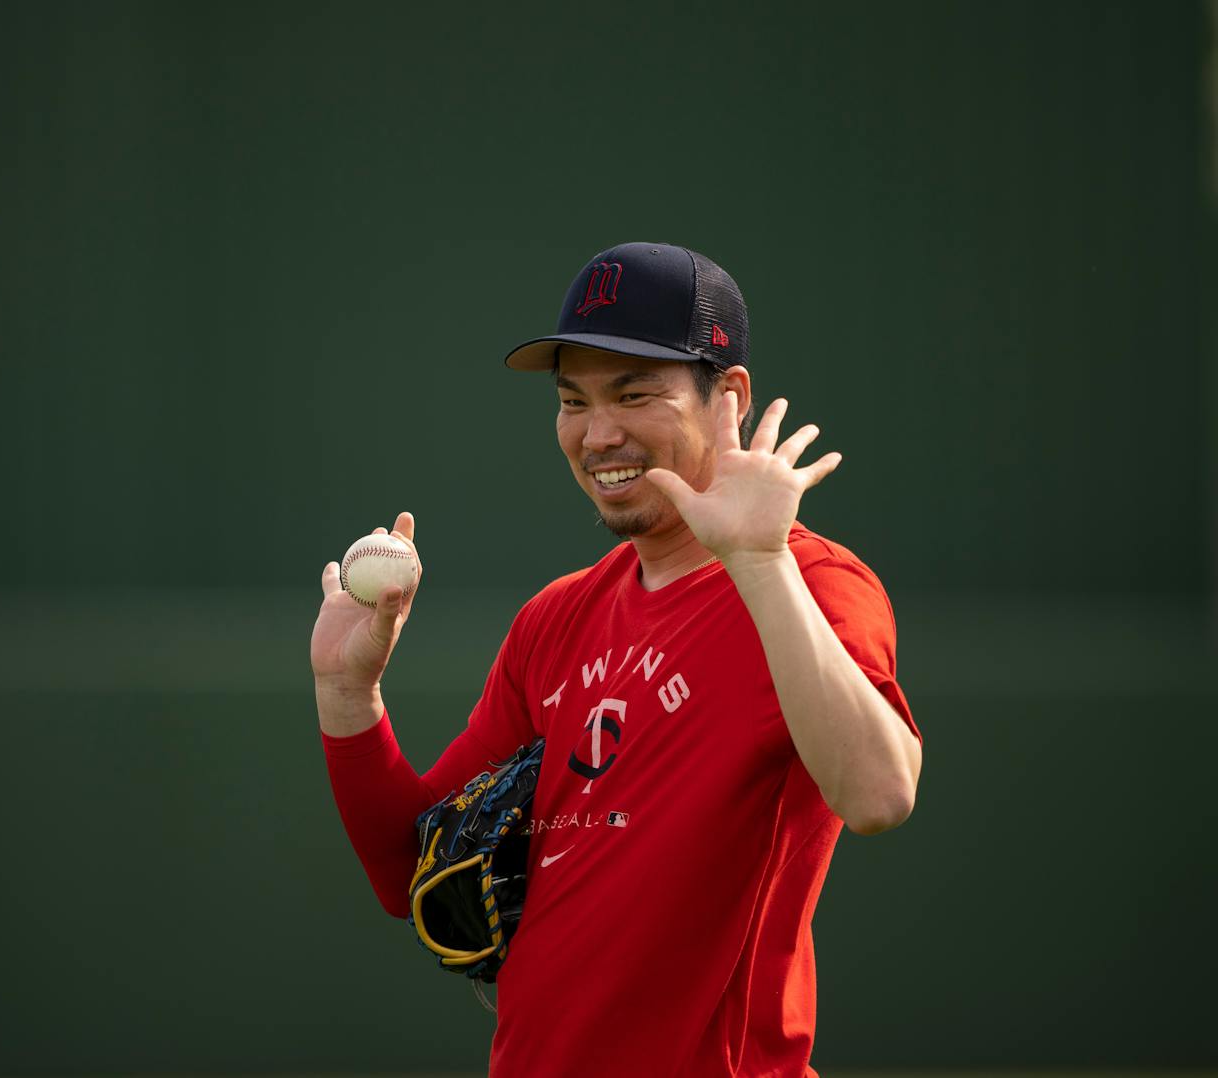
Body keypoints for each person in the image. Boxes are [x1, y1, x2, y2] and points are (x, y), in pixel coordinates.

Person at [311, 242, 923, 1078]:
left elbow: (881, 795)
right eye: (574, 401)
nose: (598, 435)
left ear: (727, 398)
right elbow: (409, 873)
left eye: (634, 394)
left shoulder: (812, 583)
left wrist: (761, 561)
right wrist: (349, 695)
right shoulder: (556, 620)